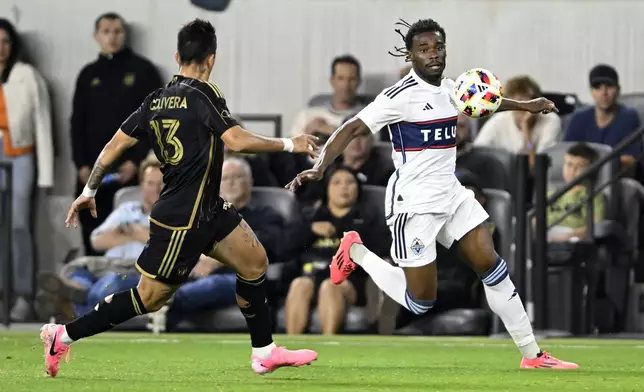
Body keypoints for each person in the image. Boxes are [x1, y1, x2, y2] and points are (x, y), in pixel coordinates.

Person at [288, 18, 578, 369]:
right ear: (410, 55)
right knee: (420, 301)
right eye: (423, 49)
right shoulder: (398, 97)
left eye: (438, 46)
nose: (433, 54)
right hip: (414, 204)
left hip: (451, 194)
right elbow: (351, 127)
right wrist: (321, 166)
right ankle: (358, 252)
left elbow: (485, 101)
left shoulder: (452, 88)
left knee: (491, 265)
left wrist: (527, 105)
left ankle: (532, 355)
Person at [40, 19, 318, 378]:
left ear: (177, 56)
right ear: (211, 59)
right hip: (181, 218)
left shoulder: (154, 101)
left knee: (254, 262)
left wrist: (89, 190)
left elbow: (114, 146)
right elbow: (235, 141)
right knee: (149, 298)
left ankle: (264, 352)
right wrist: (288, 143)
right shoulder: (204, 95)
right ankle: (62, 335)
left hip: (208, 209)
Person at [70, 12, 162, 256]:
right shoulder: (88, 75)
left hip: (130, 167)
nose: (112, 37)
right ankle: (91, 282)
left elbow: (156, 121)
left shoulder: (143, 71)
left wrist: (137, 161)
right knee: (94, 235)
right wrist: (80, 165)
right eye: (106, 31)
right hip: (93, 169)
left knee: (131, 232)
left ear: (125, 35)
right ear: (96, 36)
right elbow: (77, 122)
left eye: (117, 31)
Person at [35, 156, 163, 320]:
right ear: (141, 185)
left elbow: (165, 245)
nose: (156, 189)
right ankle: (75, 293)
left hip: (133, 269)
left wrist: (128, 232)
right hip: (106, 264)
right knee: (77, 270)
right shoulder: (127, 209)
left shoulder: (170, 216)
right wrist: (138, 235)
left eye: (161, 184)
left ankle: (68, 305)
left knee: (110, 283)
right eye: (151, 183)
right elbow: (97, 241)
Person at [284, 166, 389, 335]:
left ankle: (329, 343)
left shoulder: (367, 218)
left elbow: (379, 251)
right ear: (327, 189)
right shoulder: (313, 216)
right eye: (336, 183)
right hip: (313, 274)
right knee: (299, 284)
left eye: (350, 182)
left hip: (353, 280)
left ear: (358, 188)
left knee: (331, 285)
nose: (344, 187)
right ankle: (292, 346)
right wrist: (310, 230)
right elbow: (285, 247)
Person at [0, 19, 54, 321]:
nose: (1, 47)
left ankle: (22, 295)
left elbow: (43, 125)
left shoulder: (26, 75)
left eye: (5, 40)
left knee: (19, 225)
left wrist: (45, 174)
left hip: (20, 153)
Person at [564, 64, 642, 177]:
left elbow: (630, 161)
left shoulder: (629, 117)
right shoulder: (578, 118)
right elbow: (566, 154)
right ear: (591, 91)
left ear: (618, 90)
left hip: (616, 180)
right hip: (580, 179)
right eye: (597, 87)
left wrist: (587, 164)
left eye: (609, 86)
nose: (603, 92)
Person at [547, 144, 605, 243]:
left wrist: (569, 235)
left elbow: (595, 224)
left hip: (574, 236)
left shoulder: (593, 195)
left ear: (590, 170)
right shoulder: (551, 194)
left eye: (579, 166)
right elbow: (536, 219)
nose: (572, 170)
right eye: (569, 164)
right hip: (548, 233)